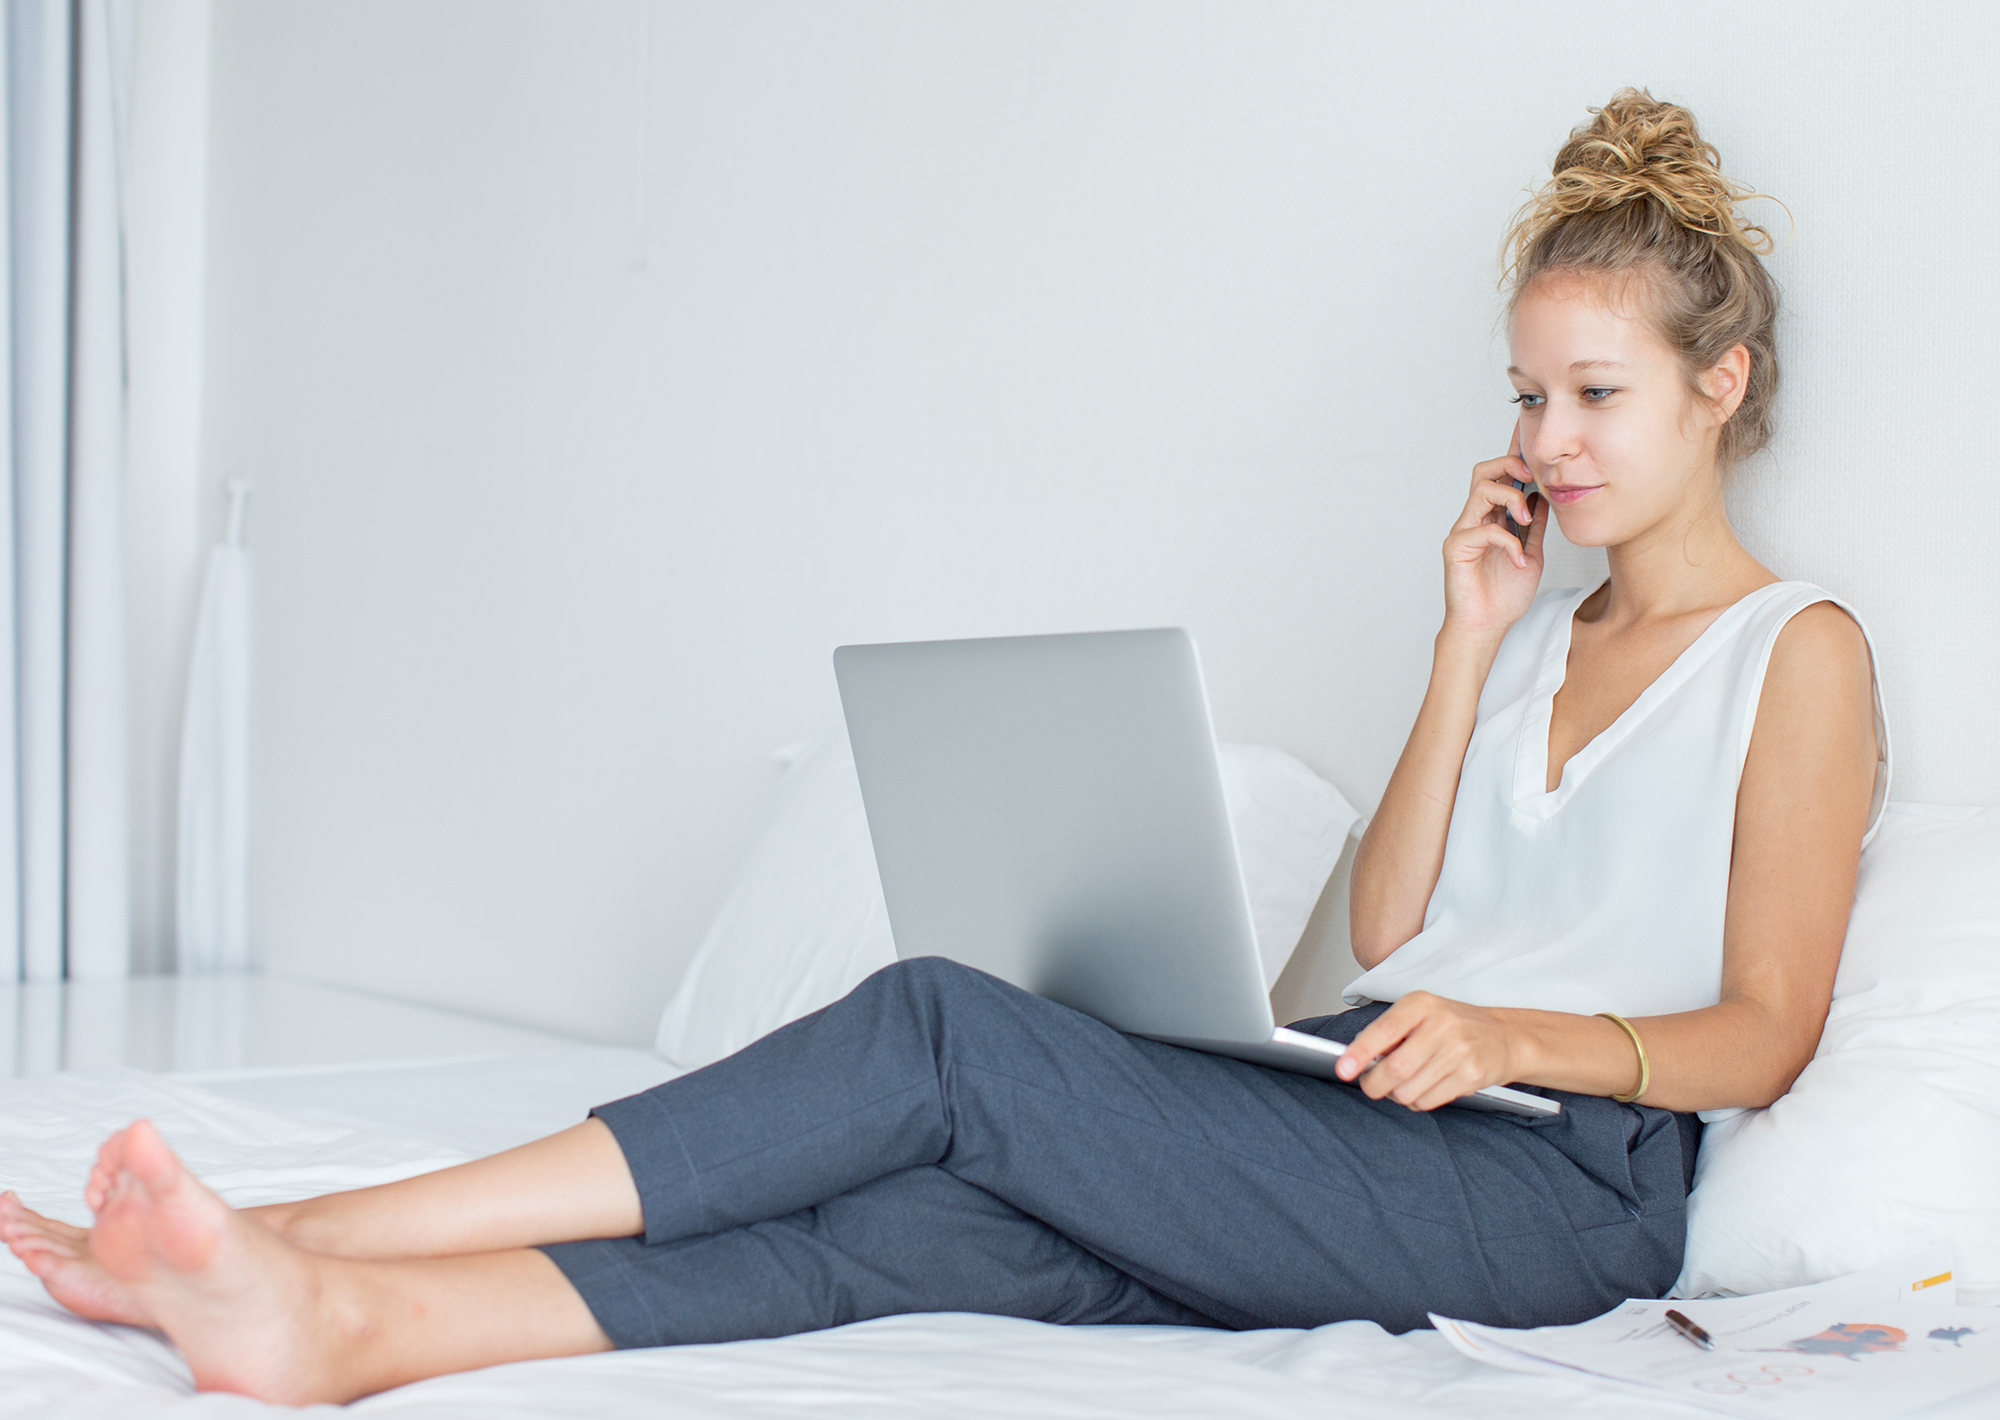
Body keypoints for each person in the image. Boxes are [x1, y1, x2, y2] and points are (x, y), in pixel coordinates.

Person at [0, 89, 1884, 1405]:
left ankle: (293, 1227)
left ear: (1720, 388)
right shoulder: (1537, 634)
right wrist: (1467, 639)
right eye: (1528, 397)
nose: (1550, 440)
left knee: (942, 1026)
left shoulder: (1793, 656)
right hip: (1390, 1106)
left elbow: (1770, 1029)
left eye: (1598, 396)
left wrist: (1515, 1040)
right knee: (936, 1220)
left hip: (1569, 1197)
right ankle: (341, 1328)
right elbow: (1390, 929)